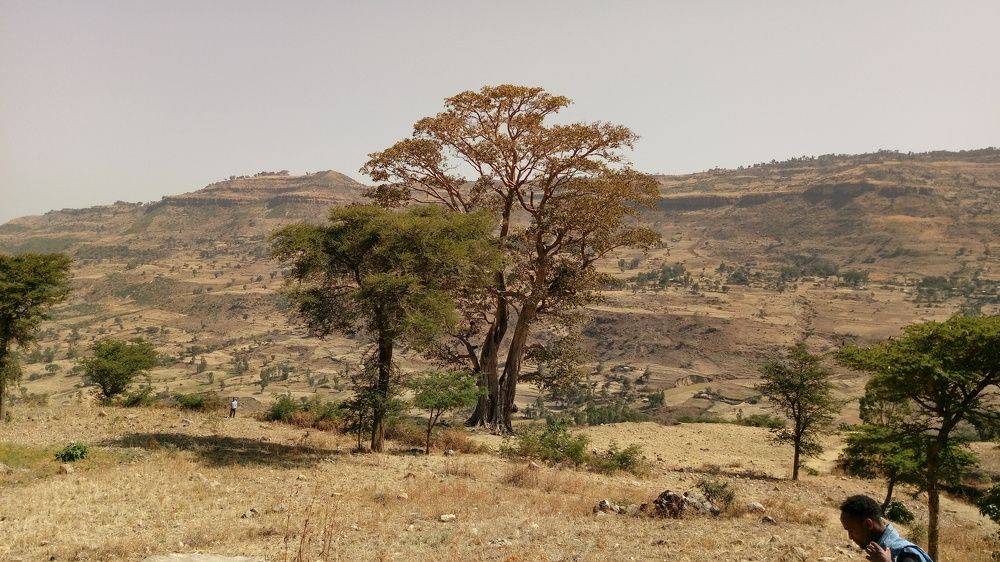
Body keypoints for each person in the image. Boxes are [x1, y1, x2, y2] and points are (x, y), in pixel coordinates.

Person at [839, 495, 933, 562]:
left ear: (868, 524)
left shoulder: (904, 553)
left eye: (851, 530)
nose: (850, 537)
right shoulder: (881, 553)